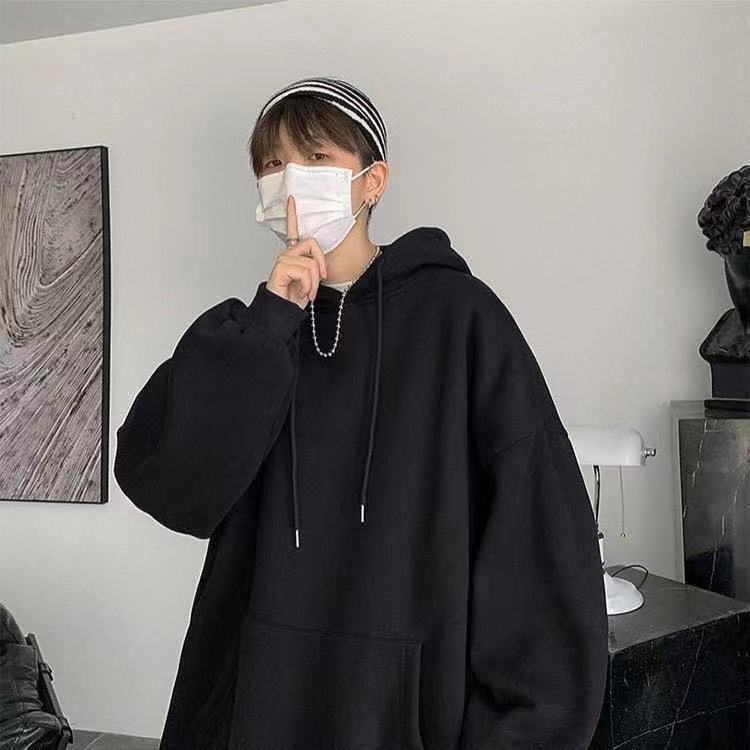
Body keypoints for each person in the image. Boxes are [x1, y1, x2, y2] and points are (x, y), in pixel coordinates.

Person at [114, 76, 609, 750]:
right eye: (271, 163)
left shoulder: (462, 320)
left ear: (372, 181)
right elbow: (171, 489)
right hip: (252, 714)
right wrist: (270, 321)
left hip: (401, 719)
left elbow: (538, 545)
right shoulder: (254, 337)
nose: (289, 179)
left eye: (315, 157)